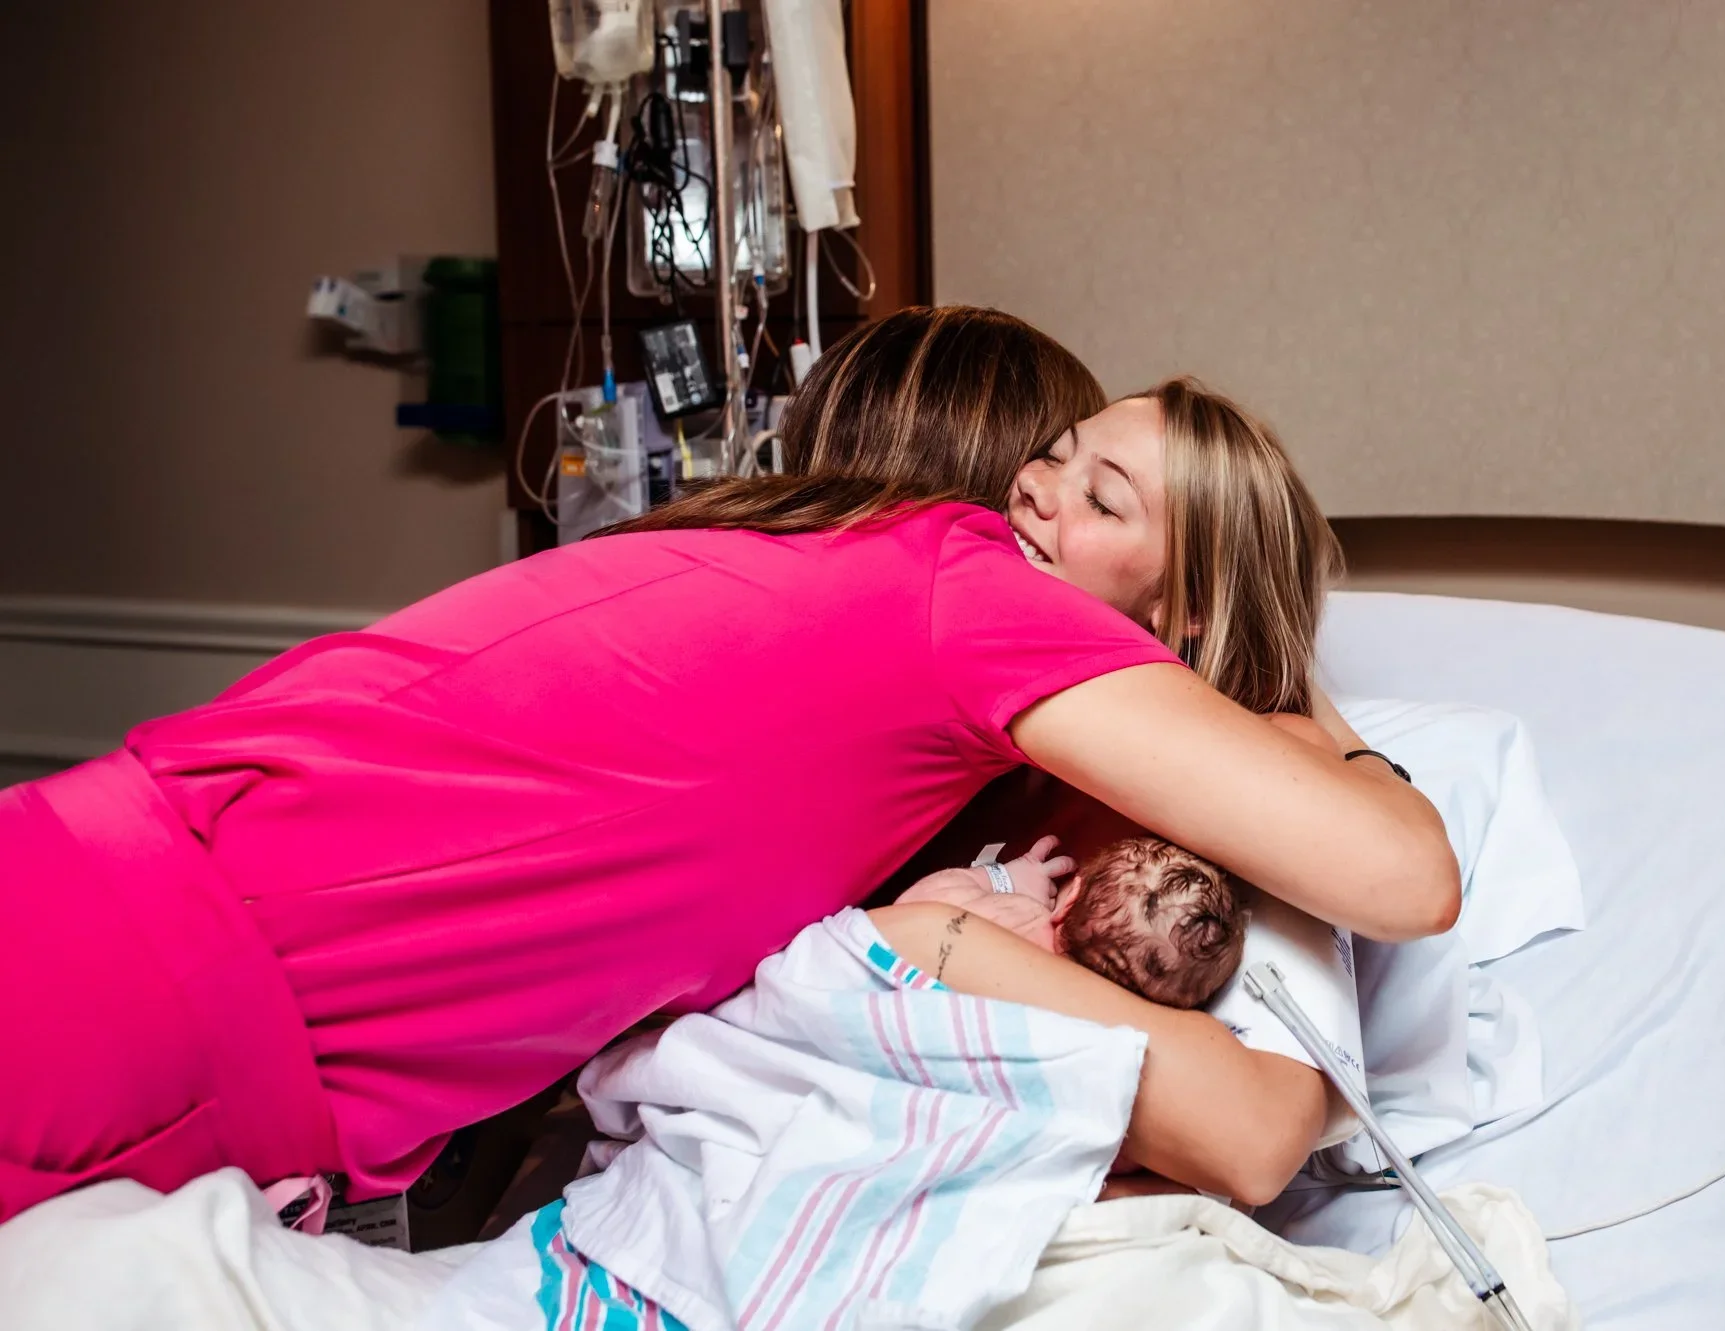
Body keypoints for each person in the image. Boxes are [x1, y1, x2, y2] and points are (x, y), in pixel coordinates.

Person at [0, 306, 1457, 1222]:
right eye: (1058, 455)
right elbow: (1402, 873)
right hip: (168, 995)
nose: (1041, 487)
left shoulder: (812, 581)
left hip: (118, 897)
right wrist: (1295, 690)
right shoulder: (973, 596)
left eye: (1105, 491)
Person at [898, 835, 1248, 1010]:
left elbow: (919, 904)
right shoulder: (1086, 1022)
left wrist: (1004, 879)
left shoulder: (1013, 915)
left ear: (1069, 899)